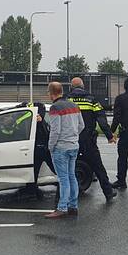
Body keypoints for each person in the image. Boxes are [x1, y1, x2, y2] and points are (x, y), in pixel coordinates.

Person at [67, 77, 116, 201]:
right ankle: (108, 193)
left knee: (70, 167)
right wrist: (109, 136)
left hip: (71, 139)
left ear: (71, 87)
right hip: (88, 139)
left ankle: (71, 194)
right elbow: (102, 120)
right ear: (83, 86)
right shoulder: (92, 100)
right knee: (98, 167)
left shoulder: (67, 100)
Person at [44, 81, 85, 218]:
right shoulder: (74, 105)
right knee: (72, 176)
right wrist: (73, 135)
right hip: (73, 145)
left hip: (60, 147)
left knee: (63, 179)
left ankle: (62, 207)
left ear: (51, 93)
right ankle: (73, 206)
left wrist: (50, 147)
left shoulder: (55, 108)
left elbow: (55, 131)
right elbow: (81, 125)